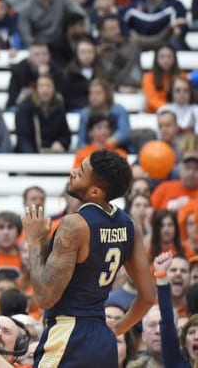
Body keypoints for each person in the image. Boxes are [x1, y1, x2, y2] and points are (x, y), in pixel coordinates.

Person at [23, 150, 155, 366]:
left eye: (81, 171)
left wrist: (35, 243)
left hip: (68, 334)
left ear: (95, 191)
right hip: (103, 339)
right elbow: (148, 296)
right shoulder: (130, 225)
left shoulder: (74, 225)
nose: (73, 172)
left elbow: (45, 297)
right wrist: (120, 327)